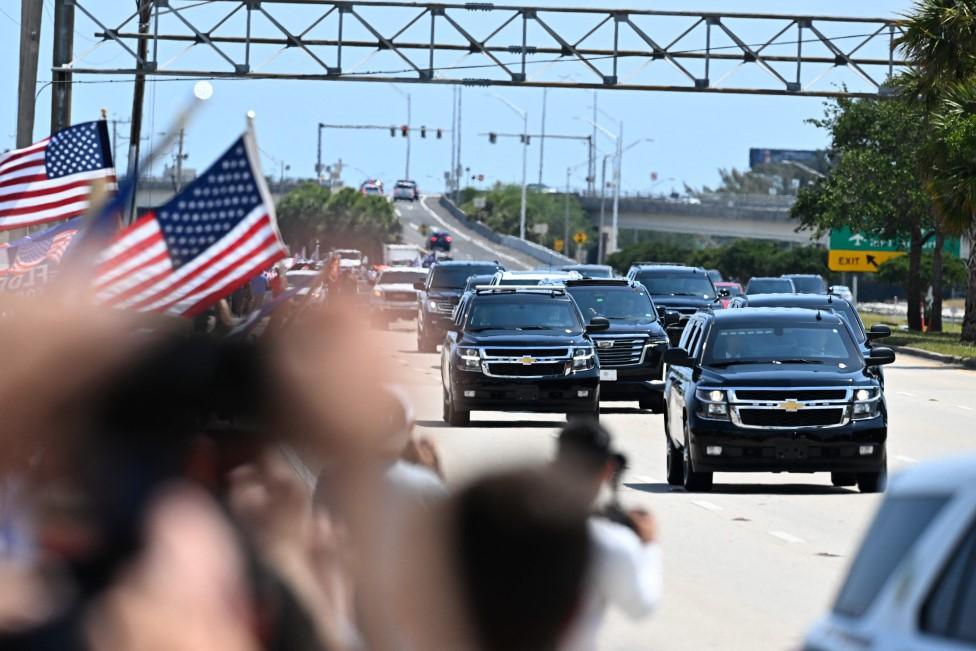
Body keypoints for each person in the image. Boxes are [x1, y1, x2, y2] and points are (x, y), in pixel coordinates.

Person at [554, 420, 663, 651]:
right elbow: (641, 606)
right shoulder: (607, 542)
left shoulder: (513, 522)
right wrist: (649, 545)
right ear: (607, 470)